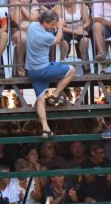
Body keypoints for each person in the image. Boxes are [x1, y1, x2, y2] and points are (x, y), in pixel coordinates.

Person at [25, 10, 76, 139]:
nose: (54, 26)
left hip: (32, 72)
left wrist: (56, 26)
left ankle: (45, 129)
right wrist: (60, 27)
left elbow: (50, 31)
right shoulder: (46, 37)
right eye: (52, 24)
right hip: (44, 69)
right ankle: (55, 96)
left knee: (40, 100)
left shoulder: (32, 27)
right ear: (45, 23)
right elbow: (57, 40)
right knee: (72, 70)